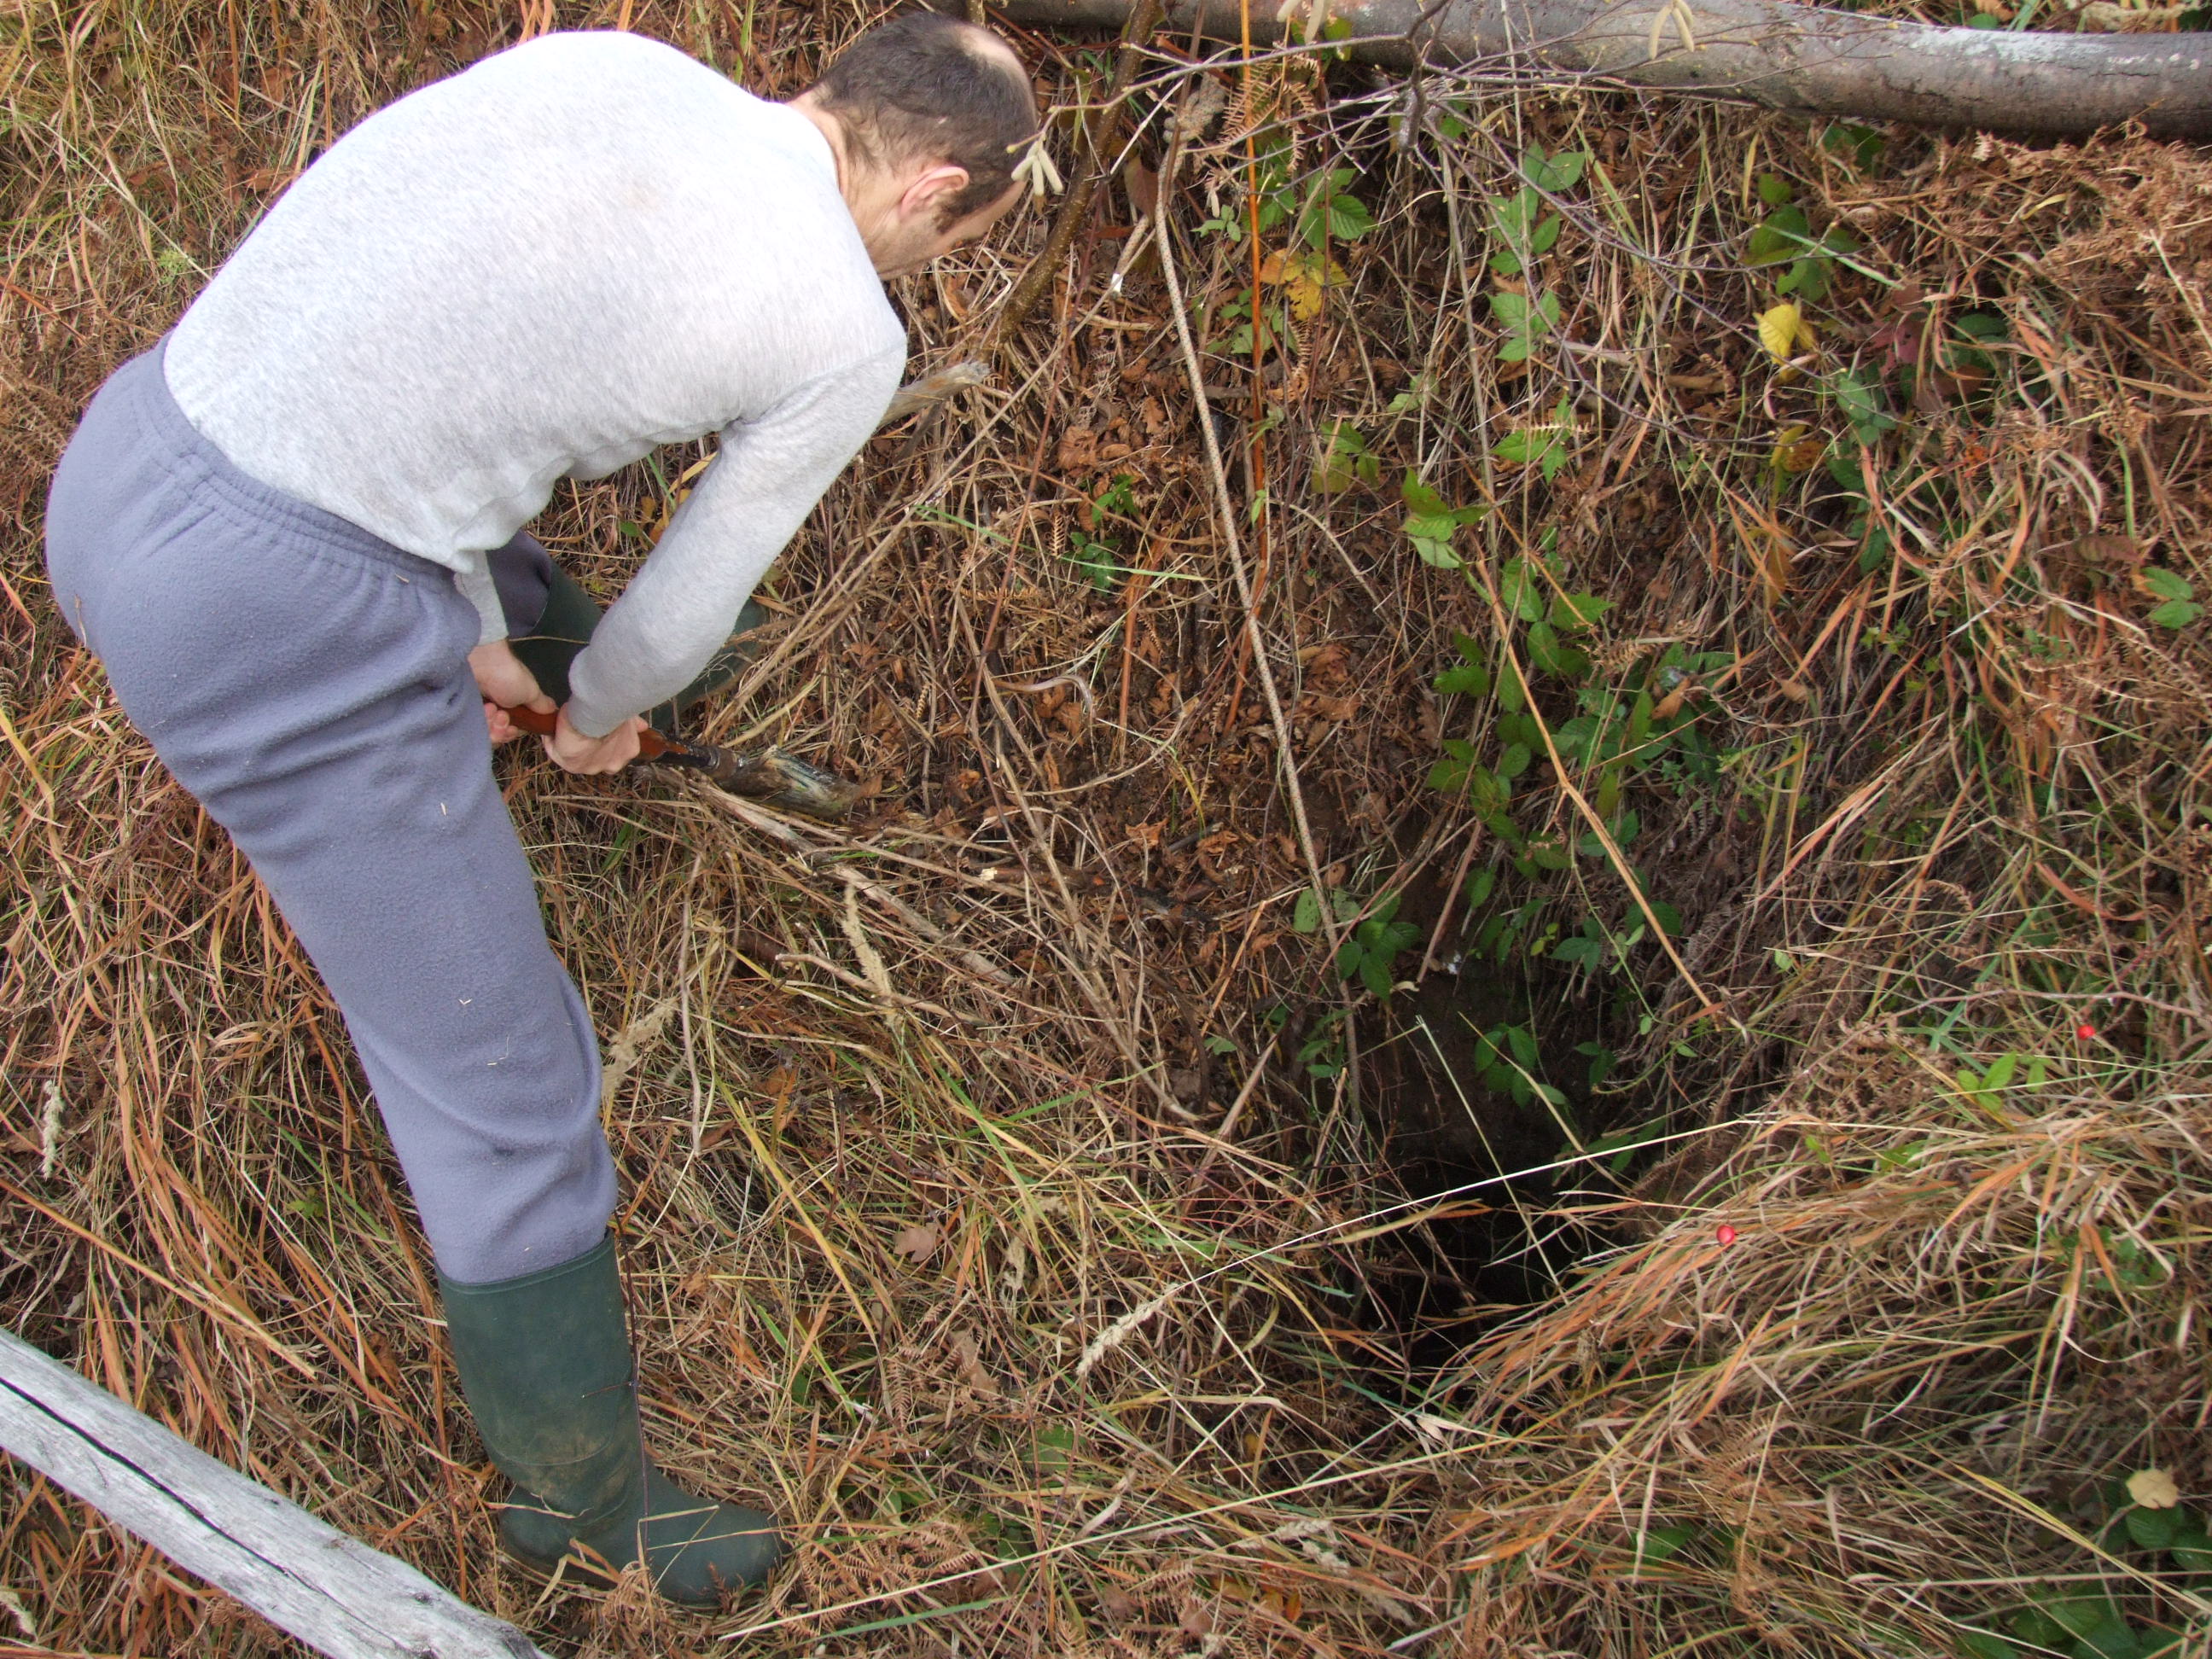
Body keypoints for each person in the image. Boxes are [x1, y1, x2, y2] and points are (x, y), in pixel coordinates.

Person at [44, 13, 1034, 1610]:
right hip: (265, 620)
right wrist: (586, 717)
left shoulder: (612, 63)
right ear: (933, 186)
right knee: (499, 1075)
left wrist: (475, 623)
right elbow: (669, 625)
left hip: (133, 453)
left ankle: (482, 654)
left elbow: (398, 340)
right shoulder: (848, 331)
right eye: (956, 245)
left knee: (505, 569)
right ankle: (580, 1510)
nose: (929, 275)